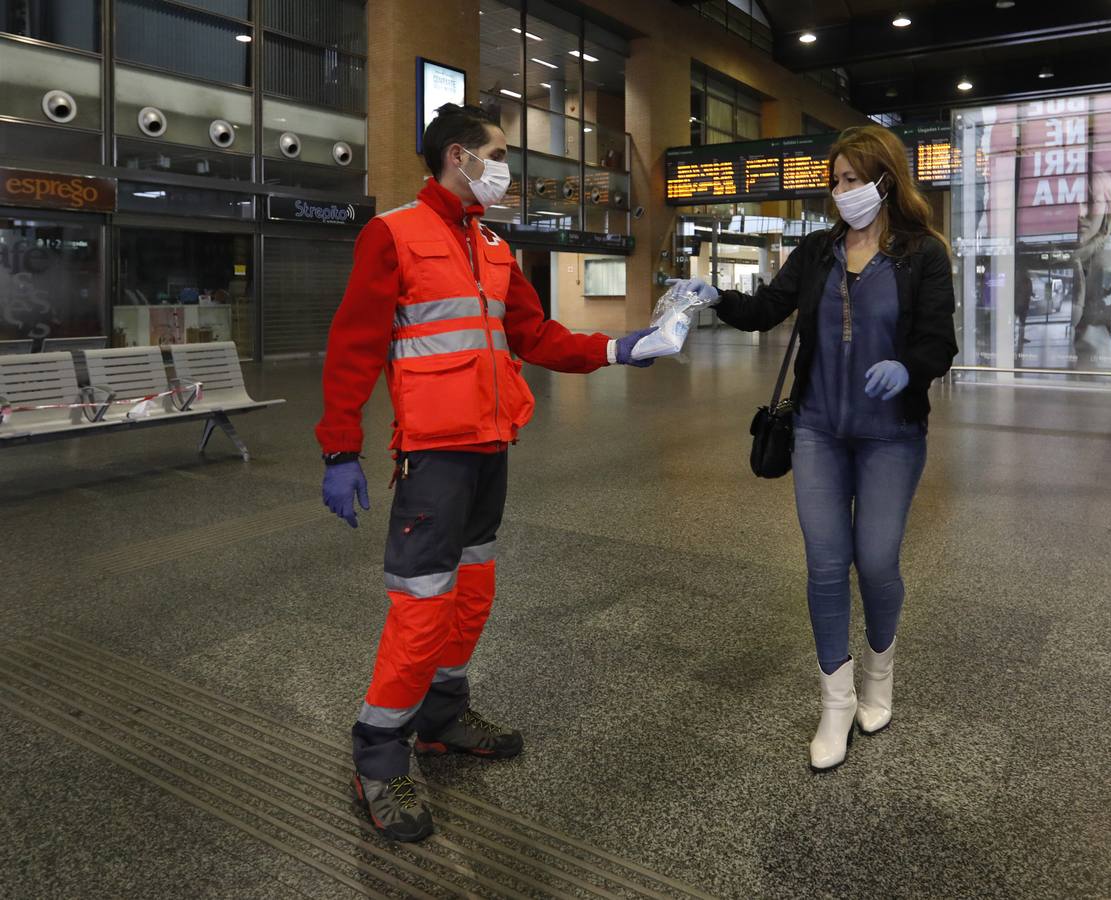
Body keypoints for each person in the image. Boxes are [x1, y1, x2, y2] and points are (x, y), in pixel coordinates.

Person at [316, 103, 657, 842]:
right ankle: (377, 754)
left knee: (471, 590)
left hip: (489, 448)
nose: (505, 169)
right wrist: (340, 449)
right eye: (497, 152)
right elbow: (353, 347)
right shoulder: (392, 234)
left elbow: (535, 335)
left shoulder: (494, 246)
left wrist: (620, 350)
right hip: (434, 456)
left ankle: (439, 716)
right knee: (422, 603)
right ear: (459, 156)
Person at [675, 125, 957, 771]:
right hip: (817, 430)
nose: (840, 192)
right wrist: (715, 297)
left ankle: (879, 674)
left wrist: (908, 369)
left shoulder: (921, 254)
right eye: (834, 181)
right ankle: (834, 703)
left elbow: (939, 342)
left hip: (890, 436)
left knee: (877, 561)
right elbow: (767, 309)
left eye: (852, 180)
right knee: (826, 567)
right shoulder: (817, 251)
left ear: (885, 180)